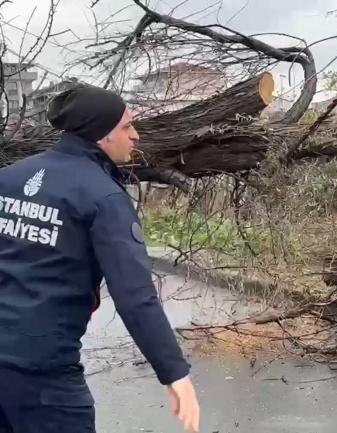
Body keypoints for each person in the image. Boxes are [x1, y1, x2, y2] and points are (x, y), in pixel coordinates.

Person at [0, 85, 200, 433]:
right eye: (126, 126)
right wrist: (175, 372)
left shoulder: (10, 177)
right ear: (100, 134)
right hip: (45, 375)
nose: (135, 135)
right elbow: (135, 296)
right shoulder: (104, 197)